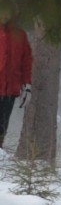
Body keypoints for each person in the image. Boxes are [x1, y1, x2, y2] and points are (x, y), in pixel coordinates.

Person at [0, 15, 32, 148]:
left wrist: (27, 85)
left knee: (2, 125)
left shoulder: (20, 35)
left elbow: (26, 61)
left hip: (10, 90)